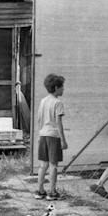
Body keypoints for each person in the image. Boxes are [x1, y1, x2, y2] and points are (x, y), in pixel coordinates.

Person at [35, 73, 68, 201]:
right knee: (53, 165)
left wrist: (39, 134)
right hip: (53, 136)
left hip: (43, 134)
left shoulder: (43, 101)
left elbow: (39, 119)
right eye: (62, 86)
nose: (63, 89)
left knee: (43, 164)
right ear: (56, 88)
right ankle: (52, 192)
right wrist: (63, 140)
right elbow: (59, 123)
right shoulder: (58, 103)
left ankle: (40, 190)